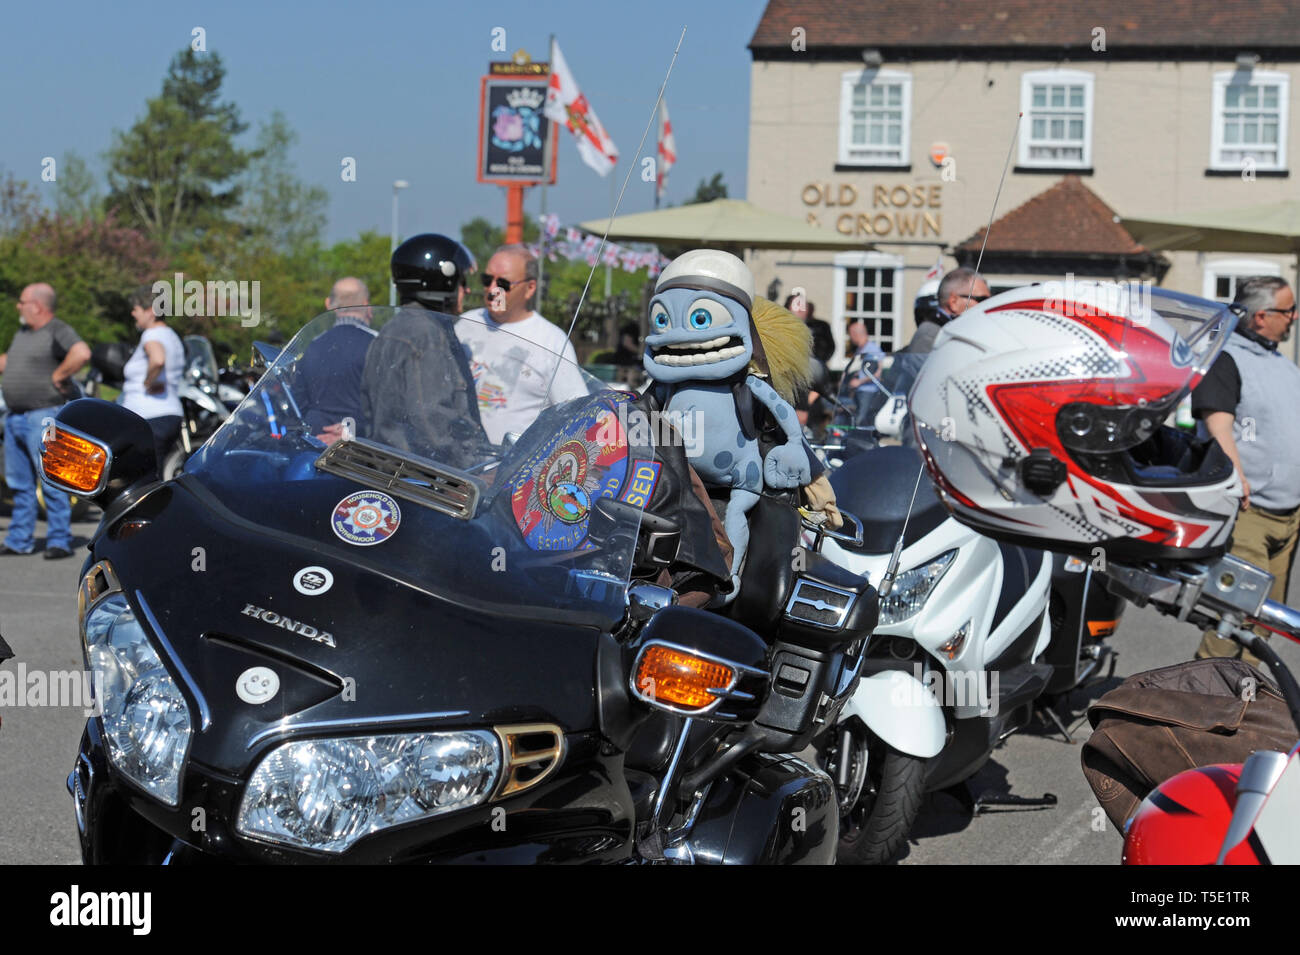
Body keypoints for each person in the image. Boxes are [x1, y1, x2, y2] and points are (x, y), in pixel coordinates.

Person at [1191, 276, 1300, 664]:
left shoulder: (1283, 365)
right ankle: (1197, 708)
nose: (1295, 317)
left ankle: (1242, 705)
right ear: (1260, 316)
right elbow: (1218, 425)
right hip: (1249, 512)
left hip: (1288, 516)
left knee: (1264, 622)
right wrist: (1236, 479)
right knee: (1232, 618)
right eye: (1288, 310)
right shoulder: (1225, 358)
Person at [356, 233, 487, 467]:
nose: (466, 291)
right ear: (441, 283)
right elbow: (431, 419)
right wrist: (472, 468)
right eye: (462, 283)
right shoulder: (427, 334)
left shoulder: (392, 328)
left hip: (391, 469)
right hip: (426, 479)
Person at [457, 243, 588, 444]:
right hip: (457, 465)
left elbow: (576, 415)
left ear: (530, 288)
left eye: (503, 283)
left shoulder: (552, 341)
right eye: (486, 280)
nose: (493, 289)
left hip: (515, 471)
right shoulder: (464, 324)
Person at [0, 283, 91, 558]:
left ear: (37, 306)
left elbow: (82, 353)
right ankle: (19, 540)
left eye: (22, 301)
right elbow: (11, 361)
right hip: (15, 416)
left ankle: (59, 540)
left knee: (51, 480)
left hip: (43, 417)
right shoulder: (24, 333)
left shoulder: (56, 330)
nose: (18, 306)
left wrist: (59, 376)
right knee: (19, 484)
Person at [295, 277, 377, 438]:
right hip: (363, 449)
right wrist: (350, 431)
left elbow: (299, 402)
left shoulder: (313, 345)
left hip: (316, 443)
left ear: (328, 304)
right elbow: (387, 407)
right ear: (367, 305)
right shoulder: (377, 344)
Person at [120, 285, 186, 460]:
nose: (133, 314)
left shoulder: (151, 335)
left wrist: (147, 382)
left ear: (150, 312)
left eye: (136, 310)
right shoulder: (172, 336)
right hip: (169, 414)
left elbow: (158, 359)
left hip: (149, 417)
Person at [835, 319, 884, 427]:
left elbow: (877, 372)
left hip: (868, 391)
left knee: (861, 421)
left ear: (855, 334)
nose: (850, 338)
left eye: (850, 334)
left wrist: (859, 382)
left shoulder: (872, 349)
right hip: (859, 391)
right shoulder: (861, 349)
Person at [785, 290, 835, 363]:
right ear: (789, 307)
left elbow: (829, 348)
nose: (800, 308)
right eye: (796, 304)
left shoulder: (821, 326)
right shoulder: (781, 327)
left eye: (803, 305)